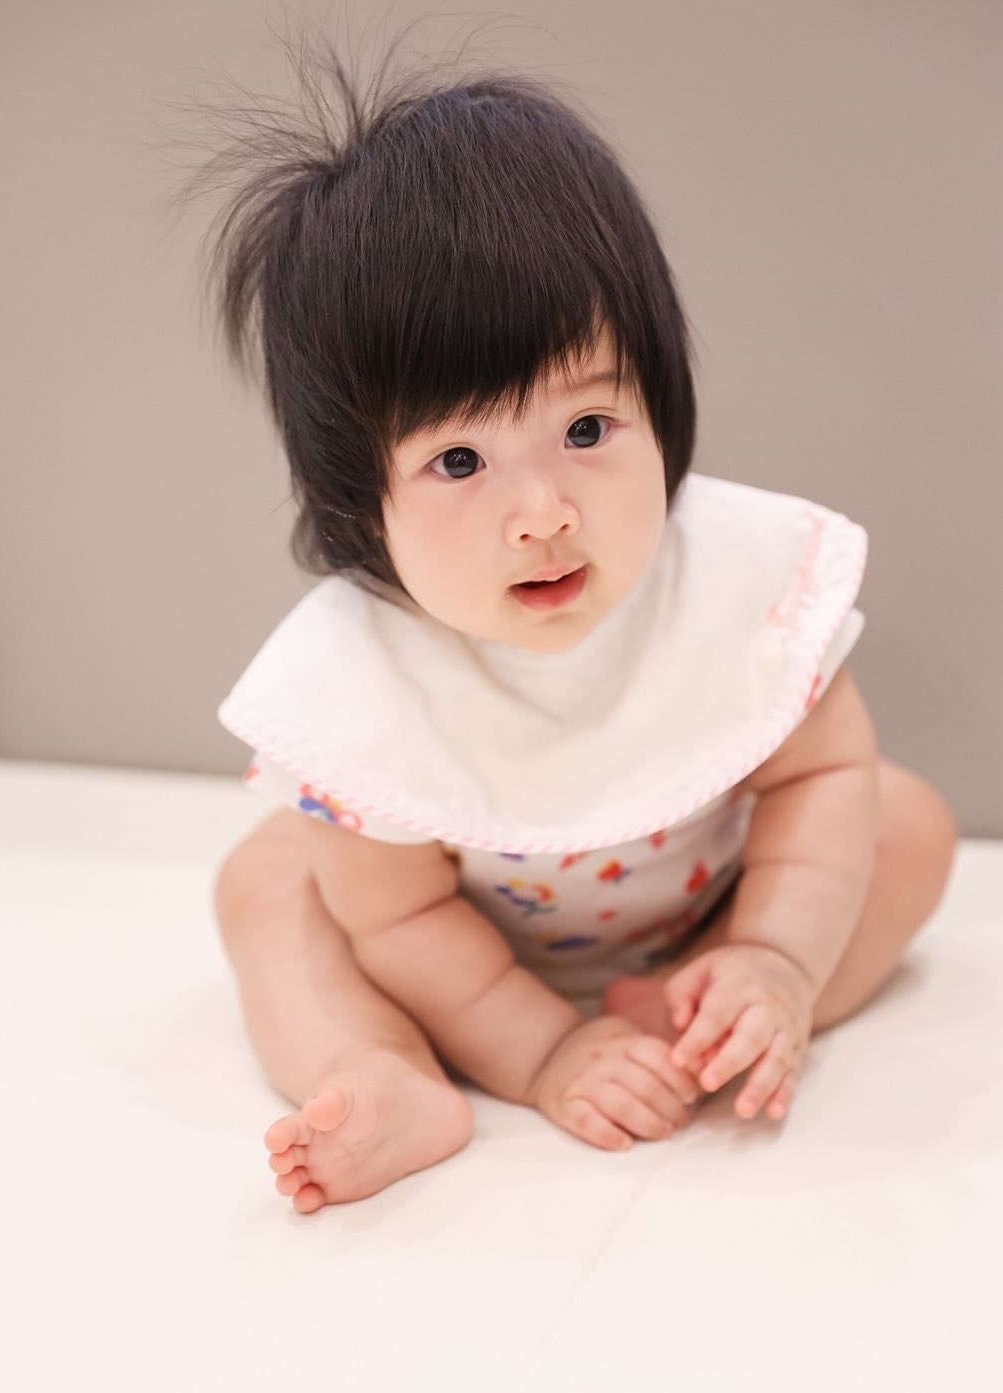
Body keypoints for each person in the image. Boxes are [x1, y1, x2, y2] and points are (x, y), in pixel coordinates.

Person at [201, 49, 957, 1216]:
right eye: (460, 460)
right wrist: (539, 1049)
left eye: (588, 428)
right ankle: (391, 1067)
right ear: (363, 504)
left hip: (711, 906)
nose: (543, 512)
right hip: (456, 958)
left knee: (903, 822)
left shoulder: (735, 585)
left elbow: (820, 774)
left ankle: (723, 1010)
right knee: (267, 885)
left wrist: (773, 951)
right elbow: (400, 916)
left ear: (660, 399)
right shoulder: (365, 685)